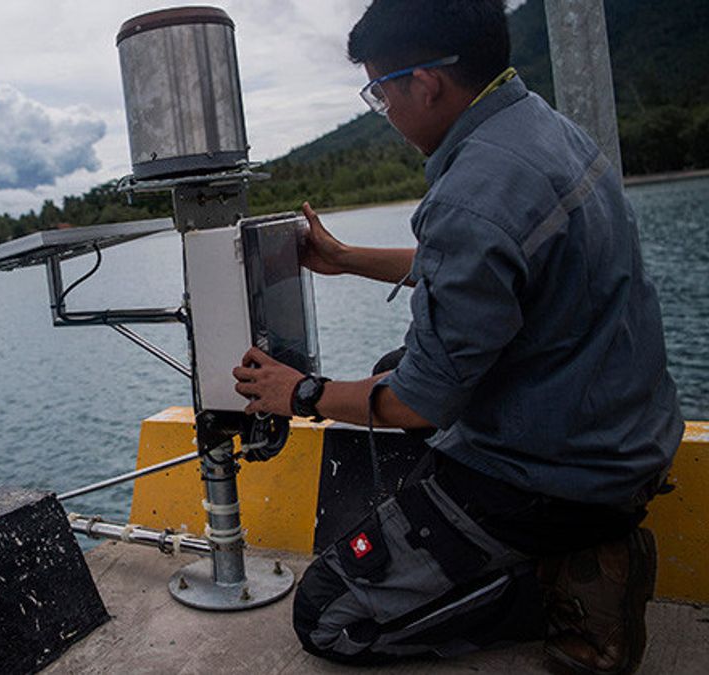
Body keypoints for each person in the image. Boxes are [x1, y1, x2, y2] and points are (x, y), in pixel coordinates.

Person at [230, 1, 684, 672]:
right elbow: (490, 273)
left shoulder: (474, 191)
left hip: (560, 475)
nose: (383, 109)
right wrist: (349, 256)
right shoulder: (543, 132)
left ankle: (572, 584)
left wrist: (299, 392)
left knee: (327, 615)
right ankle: (532, 542)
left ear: (427, 83)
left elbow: (420, 402)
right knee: (394, 361)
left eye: (380, 92)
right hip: (616, 435)